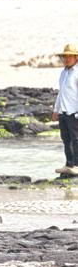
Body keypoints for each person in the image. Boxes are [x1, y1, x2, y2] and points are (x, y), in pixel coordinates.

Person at [52, 44, 78, 176]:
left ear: (75, 57)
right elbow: (61, 93)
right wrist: (56, 110)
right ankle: (69, 164)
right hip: (63, 111)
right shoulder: (63, 73)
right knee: (66, 139)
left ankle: (77, 165)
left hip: (74, 112)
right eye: (65, 56)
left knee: (76, 139)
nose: (67, 59)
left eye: (70, 56)